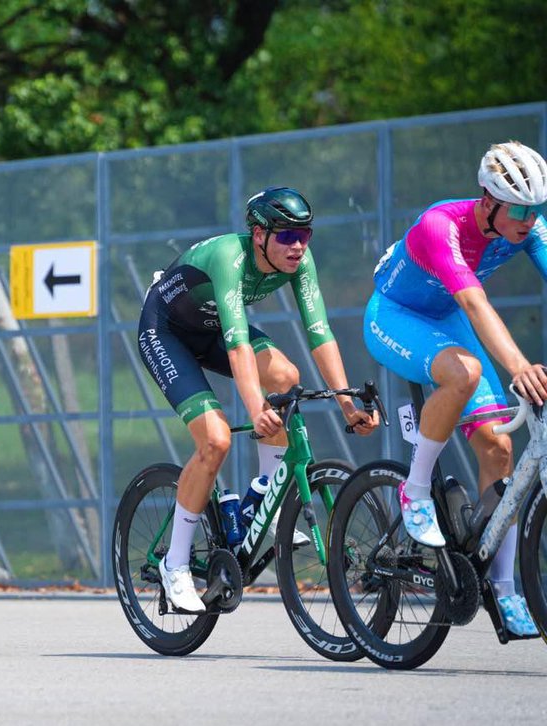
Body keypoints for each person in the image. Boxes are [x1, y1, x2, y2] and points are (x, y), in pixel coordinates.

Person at [137, 187, 378, 613]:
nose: (298, 245)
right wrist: (255, 409)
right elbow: (237, 346)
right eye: (286, 236)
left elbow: (319, 332)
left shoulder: (299, 263)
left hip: (212, 330)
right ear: (258, 234)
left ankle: (261, 497)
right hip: (166, 331)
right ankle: (174, 565)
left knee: (286, 376)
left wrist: (346, 403)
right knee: (215, 440)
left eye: (304, 234)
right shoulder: (230, 257)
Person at [364, 141, 547, 636]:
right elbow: (473, 302)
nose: (529, 219)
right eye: (520, 209)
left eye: (537, 209)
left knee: (500, 445)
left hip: (445, 319)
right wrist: (519, 366)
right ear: (487, 200)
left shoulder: (528, 229)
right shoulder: (440, 225)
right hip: (397, 317)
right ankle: (416, 488)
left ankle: (503, 588)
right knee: (464, 373)